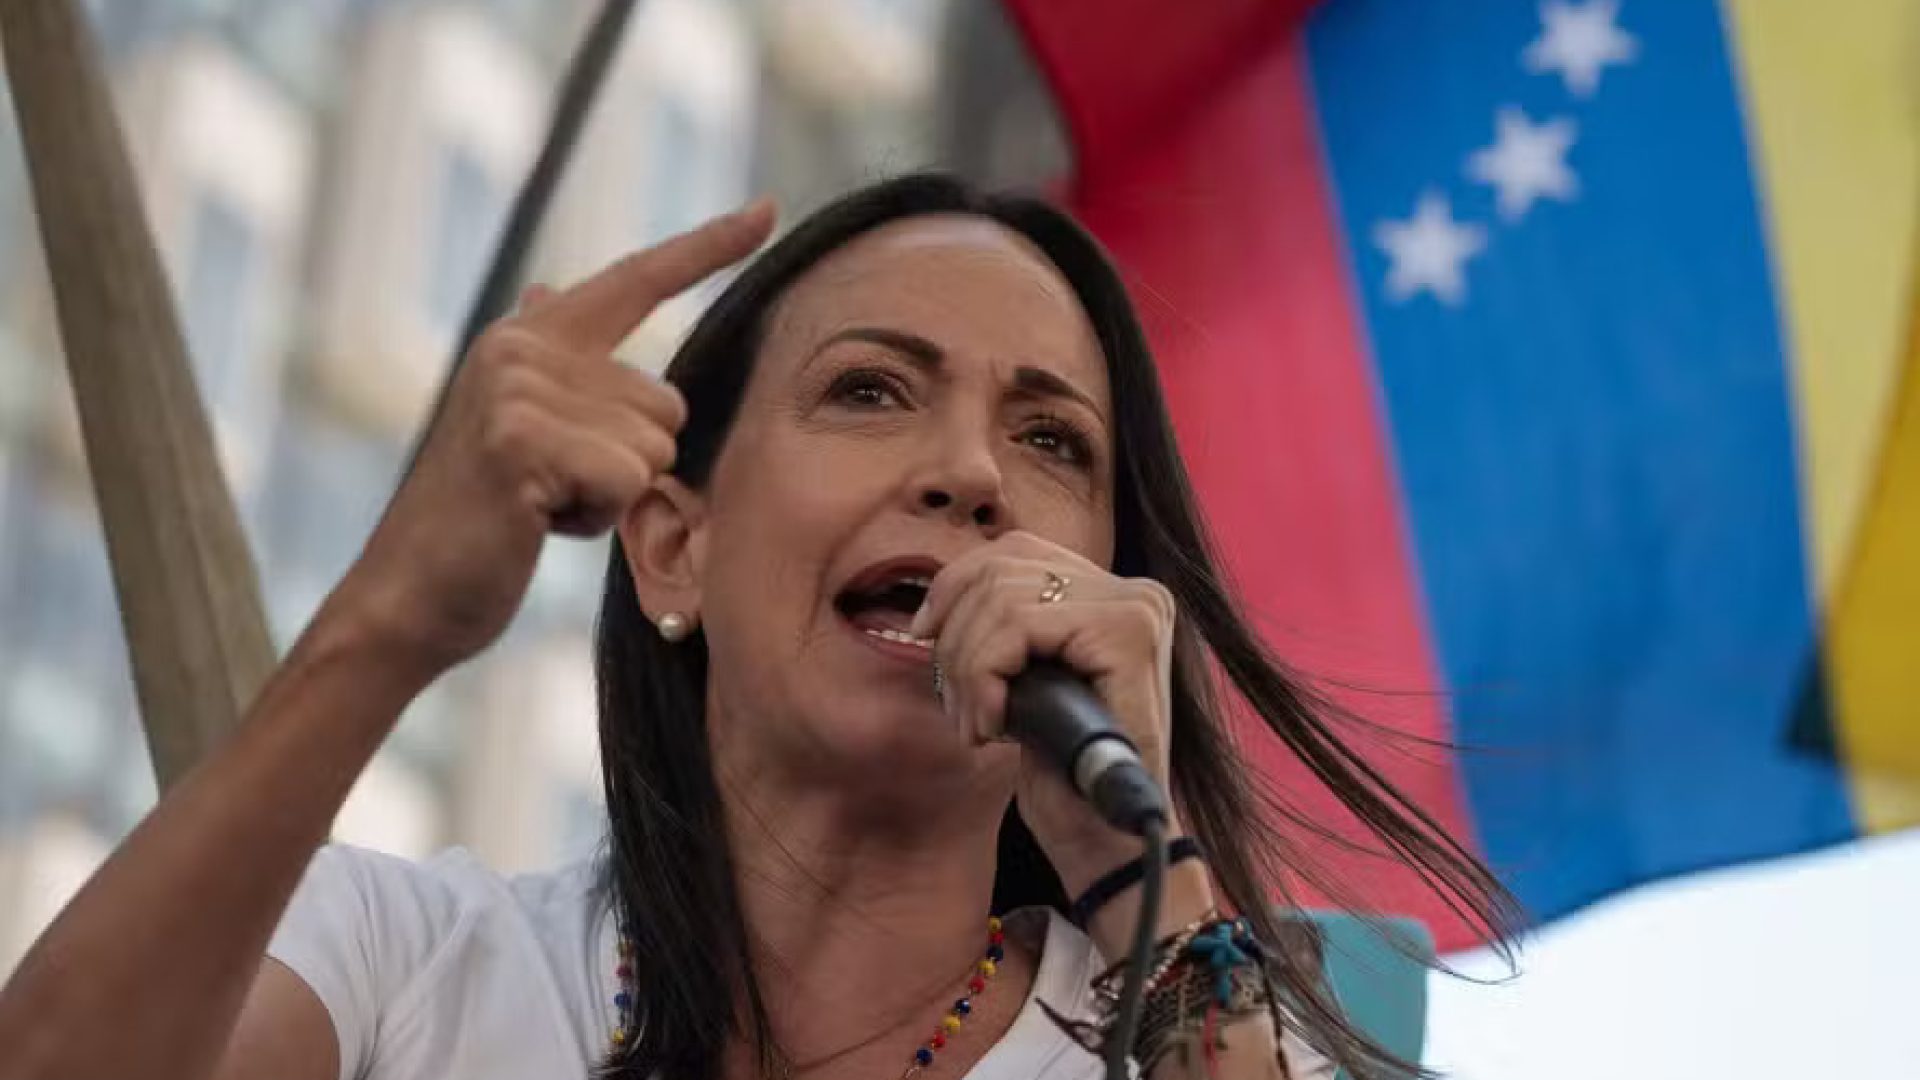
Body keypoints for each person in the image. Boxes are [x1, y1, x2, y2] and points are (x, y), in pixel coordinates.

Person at [0, 173, 1513, 1080]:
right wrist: (396, 621)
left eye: (1052, 442)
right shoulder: (408, 966)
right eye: (870, 388)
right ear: (673, 545)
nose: (971, 473)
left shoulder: (1202, 1036)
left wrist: (1142, 865)